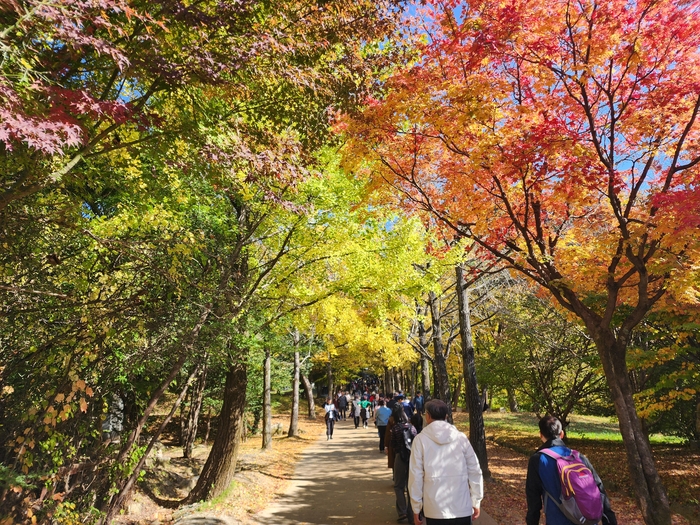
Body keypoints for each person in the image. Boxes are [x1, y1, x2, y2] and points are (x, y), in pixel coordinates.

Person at [526, 416, 617, 525]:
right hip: (586, 520)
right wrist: (610, 521)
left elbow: (533, 500)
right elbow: (599, 490)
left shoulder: (538, 460)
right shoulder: (579, 457)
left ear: (541, 435)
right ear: (562, 434)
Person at [409, 399, 483, 525]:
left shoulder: (420, 440)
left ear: (428, 416)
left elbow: (415, 475)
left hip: (434, 508)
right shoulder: (461, 438)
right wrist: (476, 500)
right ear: (446, 416)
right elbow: (475, 470)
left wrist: (416, 507)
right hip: (462, 507)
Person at [389, 405, 417, 523]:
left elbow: (393, 444)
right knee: (411, 486)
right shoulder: (412, 427)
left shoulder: (395, 428)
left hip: (400, 457)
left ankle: (402, 512)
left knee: (399, 486)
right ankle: (412, 512)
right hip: (412, 459)